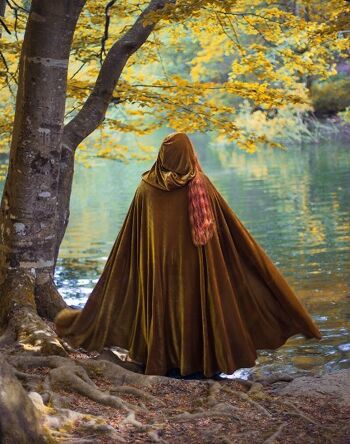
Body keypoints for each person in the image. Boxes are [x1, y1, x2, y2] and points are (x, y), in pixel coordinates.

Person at [54, 132, 322, 378]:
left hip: (157, 272)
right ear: (189, 154)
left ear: (162, 155)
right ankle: (200, 365)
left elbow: (129, 240)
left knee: (161, 308)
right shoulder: (200, 184)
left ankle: (163, 361)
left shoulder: (145, 189)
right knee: (197, 308)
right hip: (197, 271)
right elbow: (231, 231)